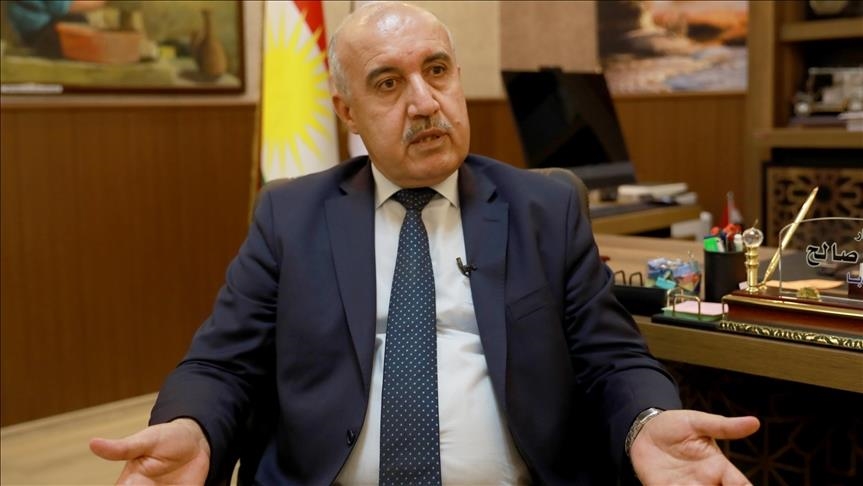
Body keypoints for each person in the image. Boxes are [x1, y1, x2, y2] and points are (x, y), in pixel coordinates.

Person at [90, 2, 760, 484]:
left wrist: (646, 420)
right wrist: (193, 428)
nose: (424, 102)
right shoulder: (289, 216)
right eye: (388, 83)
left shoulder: (543, 209)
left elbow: (611, 361)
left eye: (437, 71)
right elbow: (221, 366)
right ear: (347, 112)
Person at [5, 0, 106, 58]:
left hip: (38, 27)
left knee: (79, 23)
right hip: (38, 32)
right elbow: (60, 7)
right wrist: (98, 2)